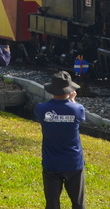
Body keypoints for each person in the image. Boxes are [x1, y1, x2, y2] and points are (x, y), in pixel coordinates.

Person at [35, 71, 86, 209]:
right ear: (69, 90)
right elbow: (80, 116)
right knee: (78, 203)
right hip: (73, 162)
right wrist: (72, 101)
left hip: (51, 162)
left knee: (52, 203)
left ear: (52, 89)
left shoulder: (41, 109)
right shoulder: (77, 109)